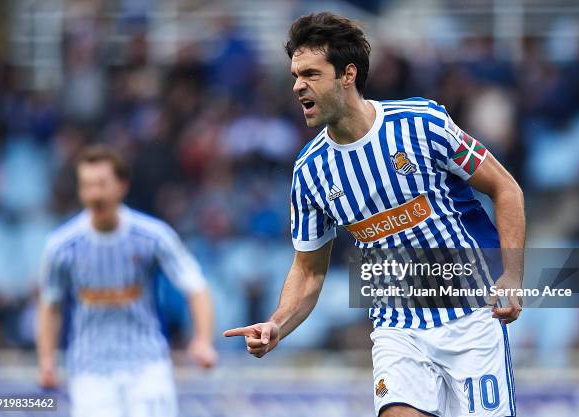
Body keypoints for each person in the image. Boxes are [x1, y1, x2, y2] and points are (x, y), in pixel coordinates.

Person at [224, 12, 525, 417]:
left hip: (472, 316)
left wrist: (512, 276)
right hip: (396, 327)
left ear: (347, 74)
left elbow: (505, 188)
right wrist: (278, 323)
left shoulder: (422, 123)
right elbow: (309, 270)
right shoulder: (310, 170)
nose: (298, 86)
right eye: (295, 74)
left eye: (311, 73)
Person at [36, 145, 217, 417]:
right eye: (87, 186)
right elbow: (50, 305)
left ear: (121, 186)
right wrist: (47, 360)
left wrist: (203, 340)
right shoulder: (62, 245)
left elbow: (196, 286)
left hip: (147, 366)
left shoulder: (153, 236)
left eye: (101, 184)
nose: (94, 194)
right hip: (90, 371)